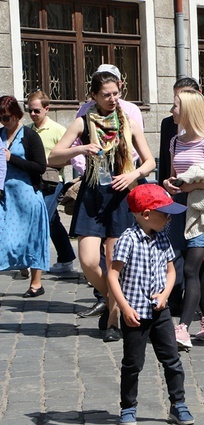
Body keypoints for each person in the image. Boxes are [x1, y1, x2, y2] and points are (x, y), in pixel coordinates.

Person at [49, 73, 156, 342]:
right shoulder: (82, 123)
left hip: (121, 196)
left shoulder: (128, 122)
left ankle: (113, 321)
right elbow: (54, 157)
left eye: (115, 93)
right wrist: (81, 149)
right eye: (106, 94)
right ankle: (114, 300)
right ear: (94, 96)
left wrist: (132, 175)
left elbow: (149, 162)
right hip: (93, 195)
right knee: (87, 261)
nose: (112, 99)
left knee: (112, 262)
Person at [107, 183, 194, 425]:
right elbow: (113, 276)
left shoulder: (163, 238)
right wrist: (124, 308)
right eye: (165, 213)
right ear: (146, 214)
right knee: (133, 363)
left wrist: (165, 294)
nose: (168, 218)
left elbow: (170, 272)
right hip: (135, 312)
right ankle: (128, 407)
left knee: (172, 360)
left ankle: (179, 404)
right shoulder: (128, 240)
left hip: (160, 312)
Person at [163, 89, 204, 348]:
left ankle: (182, 327)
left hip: (202, 213)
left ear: (189, 110)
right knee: (197, 271)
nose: (172, 111)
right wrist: (170, 184)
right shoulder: (175, 141)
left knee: (190, 268)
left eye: (176, 106)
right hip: (179, 209)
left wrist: (193, 187)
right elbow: (172, 174)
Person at [0, 95, 49, 297]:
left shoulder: (29, 136)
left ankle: (36, 284)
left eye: (8, 117)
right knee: (5, 240)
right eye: (2, 117)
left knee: (32, 239)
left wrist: (13, 159)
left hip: (27, 196)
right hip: (5, 196)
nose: (5, 121)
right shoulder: (0, 135)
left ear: (17, 114)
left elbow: (40, 167)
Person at [27, 91, 77, 275]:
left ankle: (32, 261)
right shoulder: (28, 130)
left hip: (53, 182)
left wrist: (47, 162)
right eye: (30, 110)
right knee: (53, 220)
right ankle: (66, 259)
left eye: (36, 111)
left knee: (42, 219)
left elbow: (72, 157)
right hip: (32, 182)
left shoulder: (58, 130)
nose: (32, 114)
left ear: (46, 109)